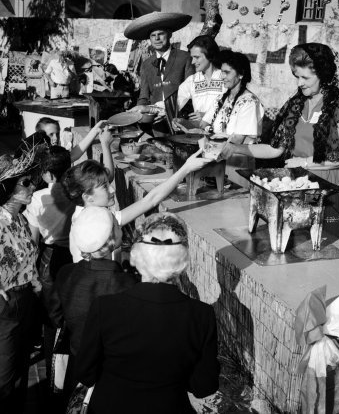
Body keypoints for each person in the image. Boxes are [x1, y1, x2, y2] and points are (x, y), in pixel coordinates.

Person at [219, 43, 339, 247]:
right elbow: (275, 148)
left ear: (323, 74)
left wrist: (305, 161)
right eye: (297, 77)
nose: (300, 83)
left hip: (334, 184)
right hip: (304, 184)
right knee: (303, 243)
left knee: (332, 245)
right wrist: (236, 148)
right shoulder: (297, 103)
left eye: (306, 78)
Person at [76, 212, 220, 414]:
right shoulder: (201, 315)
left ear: (136, 258)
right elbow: (203, 387)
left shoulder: (105, 307)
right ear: (182, 263)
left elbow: (85, 373)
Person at [61, 150, 213, 263]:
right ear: (88, 197)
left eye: (109, 184)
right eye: (105, 188)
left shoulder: (96, 214)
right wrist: (185, 169)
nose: (112, 190)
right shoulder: (92, 225)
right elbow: (150, 200)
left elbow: (151, 200)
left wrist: (186, 168)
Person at [50, 206, 138, 398]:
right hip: (114, 370)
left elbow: (56, 317)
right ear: (112, 240)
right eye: (116, 225)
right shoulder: (128, 283)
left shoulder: (66, 273)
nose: (119, 226)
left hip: (77, 362)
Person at [23, 145, 76, 382]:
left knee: (51, 320)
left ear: (49, 174)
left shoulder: (37, 198)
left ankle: (55, 379)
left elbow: (34, 241)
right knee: (71, 314)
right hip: (75, 255)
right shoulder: (77, 192)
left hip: (50, 257)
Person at [0, 151, 42, 414]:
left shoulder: (21, 218)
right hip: (5, 306)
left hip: (26, 300)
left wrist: (36, 283)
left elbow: (28, 257)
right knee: (3, 375)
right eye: (25, 183)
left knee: (20, 369)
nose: (32, 186)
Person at [125, 11, 195, 136]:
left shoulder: (184, 58)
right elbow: (144, 96)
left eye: (160, 34)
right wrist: (142, 114)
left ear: (169, 34)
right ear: (149, 39)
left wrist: (174, 114)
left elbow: (192, 92)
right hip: (157, 124)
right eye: (153, 35)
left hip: (181, 121)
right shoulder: (146, 64)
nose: (157, 38)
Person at [200, 50, 264, 142]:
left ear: (241, 74)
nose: (222, 76)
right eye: (222, 72)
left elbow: (238, 140)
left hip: (235, 153)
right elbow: (203, 124)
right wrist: (184, 123)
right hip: (216, 148)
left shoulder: (249, 102)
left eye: (227, 72)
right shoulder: (221, 98)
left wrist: (211, 135)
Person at [176, 35, 226, 124]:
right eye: (192, 58)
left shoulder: (225, 79)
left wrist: (207, 116)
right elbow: (175, 102)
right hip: (199, 132)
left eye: (197, 57)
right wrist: (151, 108)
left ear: (209, 55)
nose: (192, 62)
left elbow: (234, 109)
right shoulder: (193, 80)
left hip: (221, 133)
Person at [34, 116, 114, 166]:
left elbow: (75, 153)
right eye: (51, 134)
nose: (55, 138)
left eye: (57, 134)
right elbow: (109, 176)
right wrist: (105, 144)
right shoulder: (41, 159)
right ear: (40, 136)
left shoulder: (54, 155)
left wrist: (95, 130)